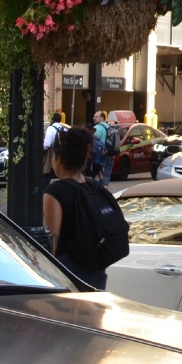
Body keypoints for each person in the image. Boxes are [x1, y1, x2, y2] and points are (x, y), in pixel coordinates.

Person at [42, 124, 118, 289]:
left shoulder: (55, 192)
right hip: (95, 272)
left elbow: (53, 239)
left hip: (67, 273)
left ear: (59, 159)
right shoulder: (94, 186)